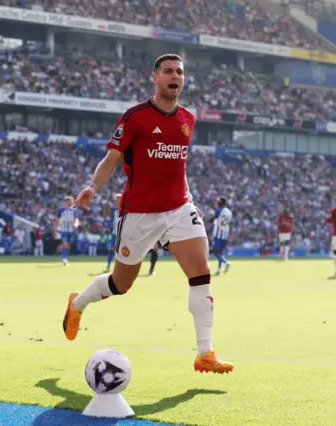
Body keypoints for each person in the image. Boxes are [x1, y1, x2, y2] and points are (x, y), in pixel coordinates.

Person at [62, 54, 233, 374]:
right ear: (155, 78)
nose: (175, 76)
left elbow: (177, 166)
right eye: (168, 71)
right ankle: (78, 303)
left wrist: (188, 198)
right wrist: (93, 187)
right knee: (121, 283)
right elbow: (111, 159)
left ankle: (205, 352)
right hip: (139, 213)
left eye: (180, 72)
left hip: (179, 208)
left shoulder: (188, 119)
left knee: (201, 271)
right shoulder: (135, 117)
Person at [54, 196, 79, 266]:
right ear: (66, 202)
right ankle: (64, 259)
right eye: (69, 201)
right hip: (63, 230)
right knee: (64, 244)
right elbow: (57, 220)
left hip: (71, 231)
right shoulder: (61, 210)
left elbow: (76, 219)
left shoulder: (74, 210)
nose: (70, 202)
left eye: (71, 201)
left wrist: (76, 224)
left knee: (68, 245)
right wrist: (55, 230)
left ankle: (66, 258)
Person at [210, 197, 232, 275]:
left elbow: (212, 220)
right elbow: (230, 224)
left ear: (219, 203)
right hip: (225, 234)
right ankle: (218, 269)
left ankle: (226, 263)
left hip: (218, 234)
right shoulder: (229, 212)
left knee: (215, 252)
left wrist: (212, 214)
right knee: (220, 252)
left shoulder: (219, 210)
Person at [104, 194, 121, 272]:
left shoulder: (125, 209)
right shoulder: (114, 210)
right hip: (114, 233)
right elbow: (111, 219)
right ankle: (108, 266)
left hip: (123, 234)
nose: (117, 201)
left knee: (121, 251)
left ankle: (121, 268)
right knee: (111, 249)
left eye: (119, 199)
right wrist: (107, 227)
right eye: (116, 200)